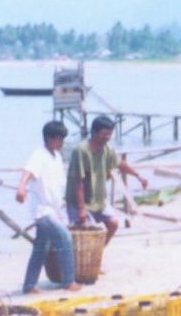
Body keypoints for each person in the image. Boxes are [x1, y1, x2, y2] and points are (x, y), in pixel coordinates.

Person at [16, 121, 81, 293]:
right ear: (49, 138)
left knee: (41, 248)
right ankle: (68, 281)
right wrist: (21, 187)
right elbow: (28, 172)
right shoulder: (39, 154)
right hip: (42, 211)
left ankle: (29, 285)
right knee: (65, 238)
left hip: (53, 209)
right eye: (59, 139)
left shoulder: (57, 156)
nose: (61, 142)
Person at [66, 115, 148, 246]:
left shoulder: (107, 149)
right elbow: (78, 181)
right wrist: (81, 208)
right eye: (104, 134)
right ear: (94, 132)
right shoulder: (81, 150)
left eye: (110, 134)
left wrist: (138, 176)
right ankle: (85, 261)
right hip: (79, 201)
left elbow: (120, 164)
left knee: (113, 223)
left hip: (98, 199)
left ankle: (97, 253)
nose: (107, 137)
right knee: (84, 235)